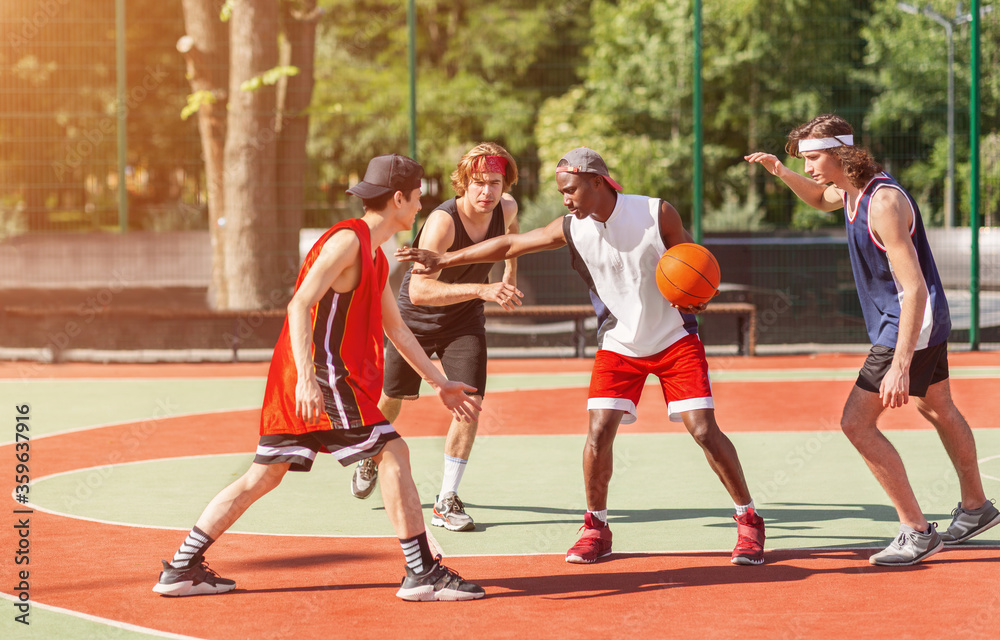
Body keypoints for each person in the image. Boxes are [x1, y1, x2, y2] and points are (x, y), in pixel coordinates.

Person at [397, 147, 766, 566]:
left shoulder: (655, 213)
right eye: (561, 193)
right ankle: (596, 527)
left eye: (571, 190)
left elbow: (691, 263)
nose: (566, 200)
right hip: (619, 342)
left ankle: (749, 520)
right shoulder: (573, 228)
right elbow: (511, 243)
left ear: (597, 182)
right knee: (598, 433)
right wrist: (445, 258)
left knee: (703, 430)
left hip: (674, 338)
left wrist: (700, 297)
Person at [153, 154, 486, 601]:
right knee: (393, 452)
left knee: (263, 476)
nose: (422, 204)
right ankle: (421, 572)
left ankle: (180, 567)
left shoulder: (376, 254)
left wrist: (439, 382)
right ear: (399, 198)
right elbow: (297, 304)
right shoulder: (348, 242)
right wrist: (308, 380)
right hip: (321, 377)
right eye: (418, 195)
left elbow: (397, 328)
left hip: (308, 378)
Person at [745, 113, 999, 566]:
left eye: (813, 157)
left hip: (906, 326)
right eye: (802, 159)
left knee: (855, 424)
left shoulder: (882, 203)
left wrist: (900, 362)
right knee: (938, 407)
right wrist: (780, 173)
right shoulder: (849, 189)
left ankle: (917, 531)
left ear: (843, 153)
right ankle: (977, 507)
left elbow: (914, 286)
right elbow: (822, 201)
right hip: (920, 324)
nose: (808, 167)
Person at [349, 142, 522, 534]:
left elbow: (512, 237)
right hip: (417, 320)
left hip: (464, 320)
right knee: (391, 400)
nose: (487, 192)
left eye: (494, 182)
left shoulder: (506, 209)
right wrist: (483, 288)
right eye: (478, 183)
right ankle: (368, 454)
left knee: (471, 401)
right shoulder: (443, 222)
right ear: (463, 184)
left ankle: (446, 500)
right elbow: (418, 292)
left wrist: (508, 273)